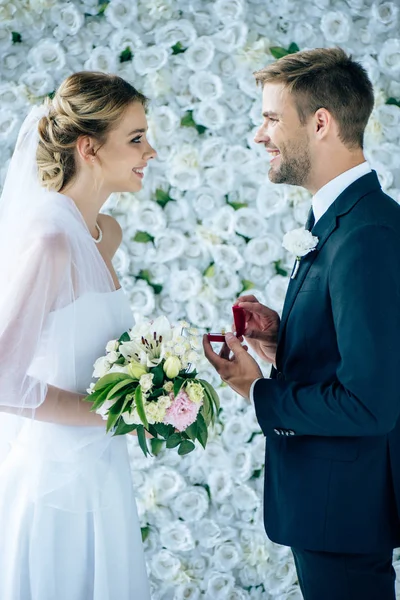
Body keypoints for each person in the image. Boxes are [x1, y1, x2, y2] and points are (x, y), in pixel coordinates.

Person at [203, 47, 400, 600]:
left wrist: (255, 389)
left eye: (270, 118)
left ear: (320, 123)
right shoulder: (344, 220)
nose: (258, 134)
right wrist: (283, 342)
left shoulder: (365, 236)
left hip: (345, 511)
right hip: (333, 507)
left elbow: (370, 403)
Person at [0, 71, 156, 600]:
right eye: (136, 138)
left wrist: (156, 390)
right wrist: (110, 410)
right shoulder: (50, 241)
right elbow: (2, 380)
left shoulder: (103, 234)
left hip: (102, 475)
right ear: (89, 148)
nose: (150, 151)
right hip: (55, 487)